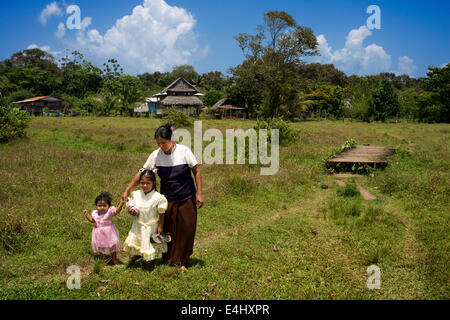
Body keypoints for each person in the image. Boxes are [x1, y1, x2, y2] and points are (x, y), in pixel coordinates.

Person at [122, 123, 203, 271]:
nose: (161, 146)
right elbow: (142, 172)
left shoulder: (184, 151)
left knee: (187, 228)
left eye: (163, 142)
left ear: (171, 139)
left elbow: (196, 171)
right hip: (167, 199)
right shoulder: (156, 155)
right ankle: (169, 258)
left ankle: (183, 260)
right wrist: (127, 190)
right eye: (158, 143)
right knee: (168, 229)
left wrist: (200, 193)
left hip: (186, 196)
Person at [122, 169, 168, 267]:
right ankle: (136, 256)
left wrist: (160, 226)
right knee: (138, 242)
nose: (145, 186)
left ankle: (149, 261)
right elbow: (131, 206)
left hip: (151, 226)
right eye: (142, 183)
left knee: (148, 243)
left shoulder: (158, 198)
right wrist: (131, 211)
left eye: (148, 183)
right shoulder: (136, 194)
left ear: (153, 183)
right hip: (138, 224)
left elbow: (161, 213)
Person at [83, 192, 124, 265]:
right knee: (100, 247)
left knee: (112, 246)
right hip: (99, 233)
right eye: (99, 205)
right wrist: (87, 215)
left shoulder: (109, 212)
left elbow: (116, 212)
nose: (102, 207)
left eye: (104, 205)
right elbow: (92, 220)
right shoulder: (95, 213)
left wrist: (120, 205)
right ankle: (103, 260)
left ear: (108, 206)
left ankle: (114, 259)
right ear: (96, 206)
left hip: (109, 232)